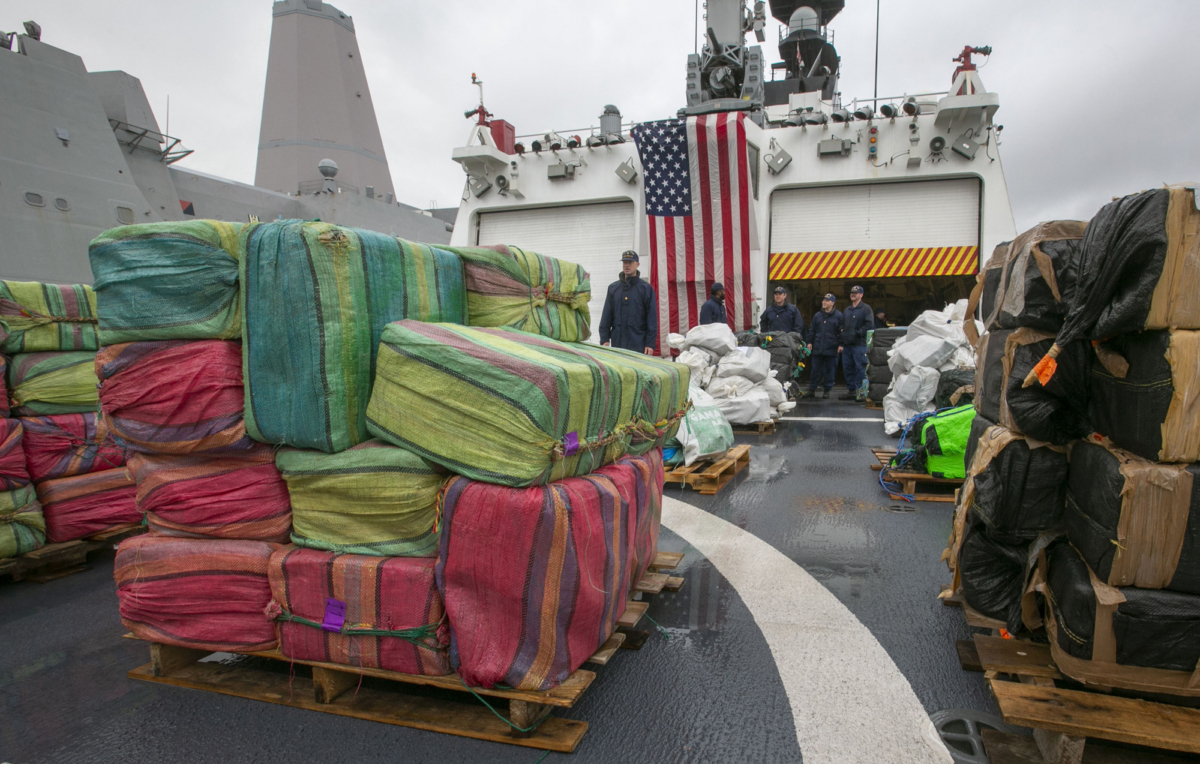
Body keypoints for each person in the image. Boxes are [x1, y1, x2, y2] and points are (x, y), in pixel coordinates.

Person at [599, 250, 658, 354]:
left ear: (637, 264)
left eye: (630, 262)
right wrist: (604, 339)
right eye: (624, 262)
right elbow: (606, 316)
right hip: (618, 343)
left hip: (638, 343)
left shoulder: (646, 289)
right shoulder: (613, 288)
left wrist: (650, 343)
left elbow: (652, 319)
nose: (627, 265)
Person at [839, 285, 875, 400]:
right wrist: (842, 333)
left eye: (856, 293)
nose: (853, 294)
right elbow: (842, 324)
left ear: (861, 295)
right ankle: (851, 391)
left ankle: (862, 392)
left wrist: (857, 333)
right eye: (851, 292)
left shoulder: (866, 309)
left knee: (860, 368)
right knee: (847, 367)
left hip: (859, 345)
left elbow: (869, 325)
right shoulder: (847, 310)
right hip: (847, 345)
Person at [804, 293, 842, 399]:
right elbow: (812, 330)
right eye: (823, 300)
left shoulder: (839, 316)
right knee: (815, 370)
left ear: (832, 303)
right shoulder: (818, 315)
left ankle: (827, 390)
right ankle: (812, 389)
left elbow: (842, 332)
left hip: (832, 348)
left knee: (830, 370)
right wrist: (809, 342)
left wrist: (840, 344)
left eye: (827, 301)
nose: (824, 302)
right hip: (818, 348)